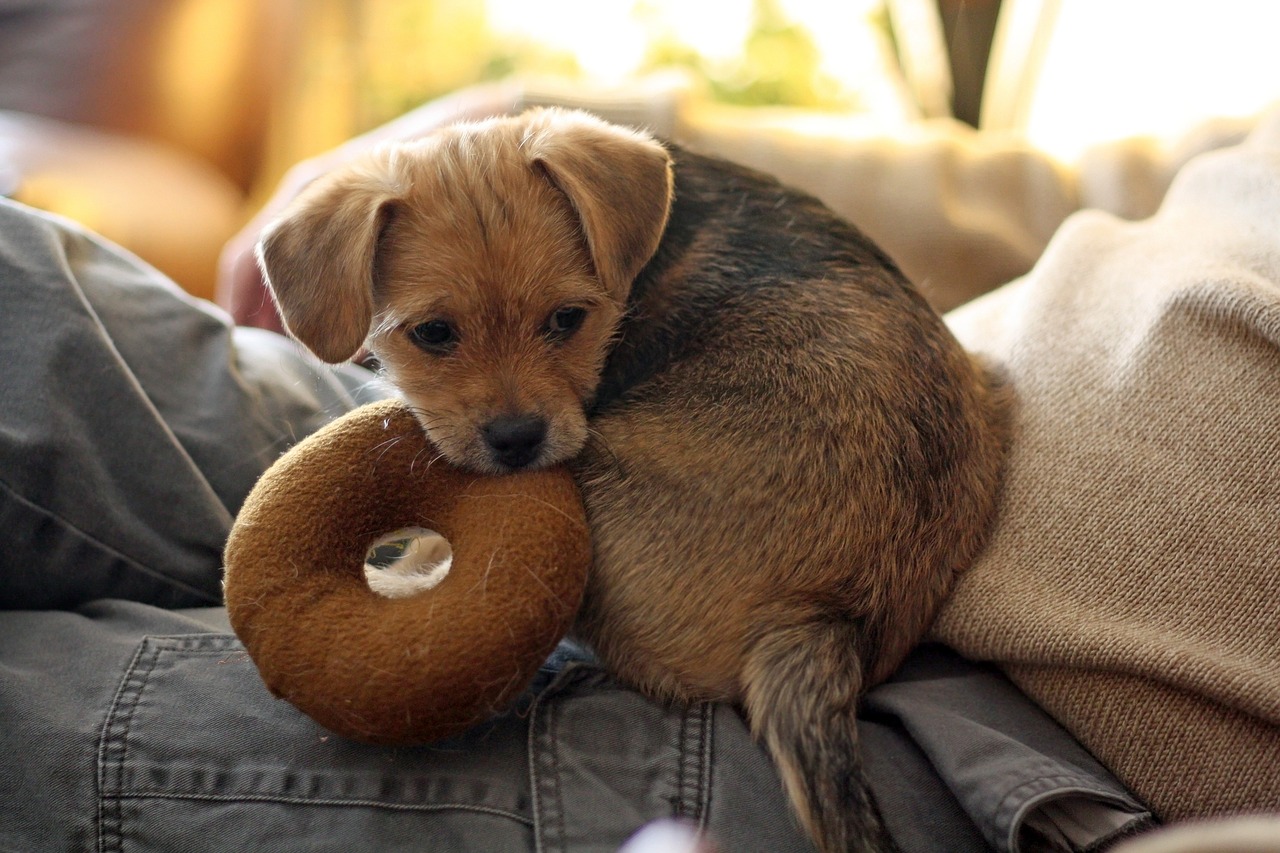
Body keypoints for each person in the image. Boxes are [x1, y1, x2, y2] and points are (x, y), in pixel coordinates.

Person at [5, 69, 1280, 853]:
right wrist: (552, 124)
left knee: (30, 700)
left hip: (950, 731)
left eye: (568, 311)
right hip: (721, 454)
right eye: (429, 337)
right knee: (25, 295)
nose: (498, 398)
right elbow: (1065, 187)